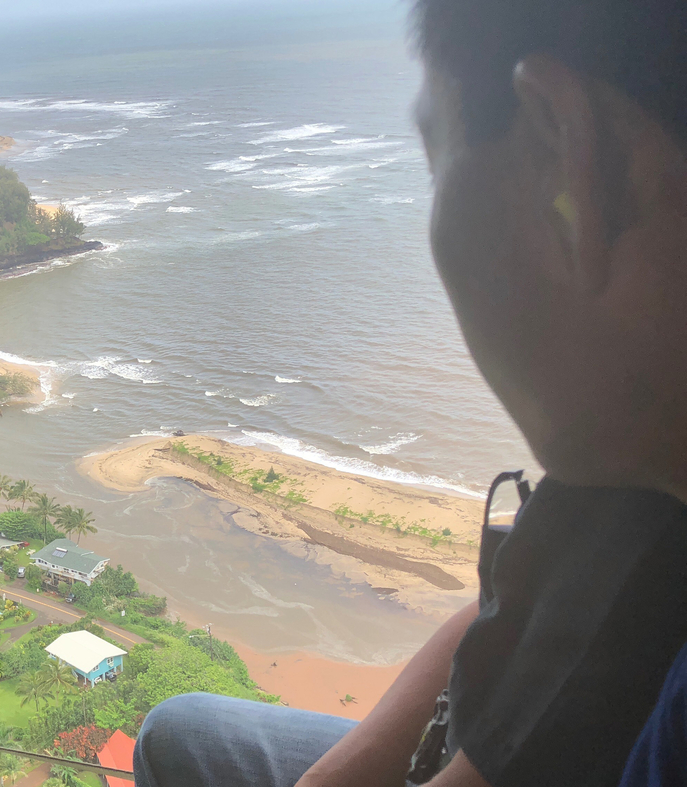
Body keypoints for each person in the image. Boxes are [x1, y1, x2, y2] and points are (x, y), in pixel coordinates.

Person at [134, 1, 687, 786]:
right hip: (471, 726)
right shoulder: (638, 448)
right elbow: (518, 597)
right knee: (182, 732)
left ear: (568, 155)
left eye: (435, 160)